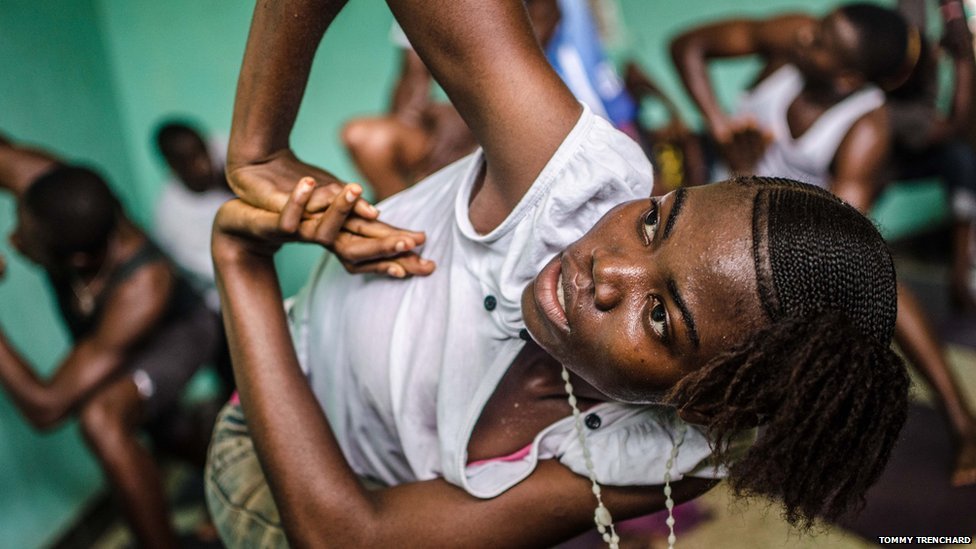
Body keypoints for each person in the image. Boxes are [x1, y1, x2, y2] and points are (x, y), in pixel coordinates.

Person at [205, 1, 909, 547]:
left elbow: (351, 535)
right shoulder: (565, 181)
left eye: (660, 316)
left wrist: (239, 263)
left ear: (705, 401)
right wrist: (259, 147)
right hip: (265, 428)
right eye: (654, 221)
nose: (606, 268)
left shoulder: (672, 449)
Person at [671, 2, 976, 487]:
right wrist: (718, 124)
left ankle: (963, 424)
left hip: (784, 233)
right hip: (727, 206)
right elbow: (688, 46)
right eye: (820, 26)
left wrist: (748, 176)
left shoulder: (866, 129)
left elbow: (831, 250)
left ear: (848, 77)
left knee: (883, 285)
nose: (804, 37)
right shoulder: (793, 36)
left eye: (821, 42)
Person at [0, 134, 222, 549]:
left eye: (27, 240)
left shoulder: (142, 284)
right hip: (112, 335)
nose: (13, 239)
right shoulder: (51, 191)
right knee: (168, 435)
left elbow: (47, 407)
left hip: (183, 331)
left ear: (78, 262)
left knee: (103, 419)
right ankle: (234, 483)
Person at [887, 0, 976, 313]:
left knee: (962, 160)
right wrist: (962, 59)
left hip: (925, 134)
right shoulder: (912, 10)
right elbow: (954, 126)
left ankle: (962, 272)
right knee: (960, 154)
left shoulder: (951, 11)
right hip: (896, 132)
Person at [153, 119, 235, 312]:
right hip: (223, 304)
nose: (205, 164)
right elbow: (222, 270)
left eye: (203, 151)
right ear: (173, 167)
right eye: (191, 160)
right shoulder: (171, 221)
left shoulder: (224, 151)